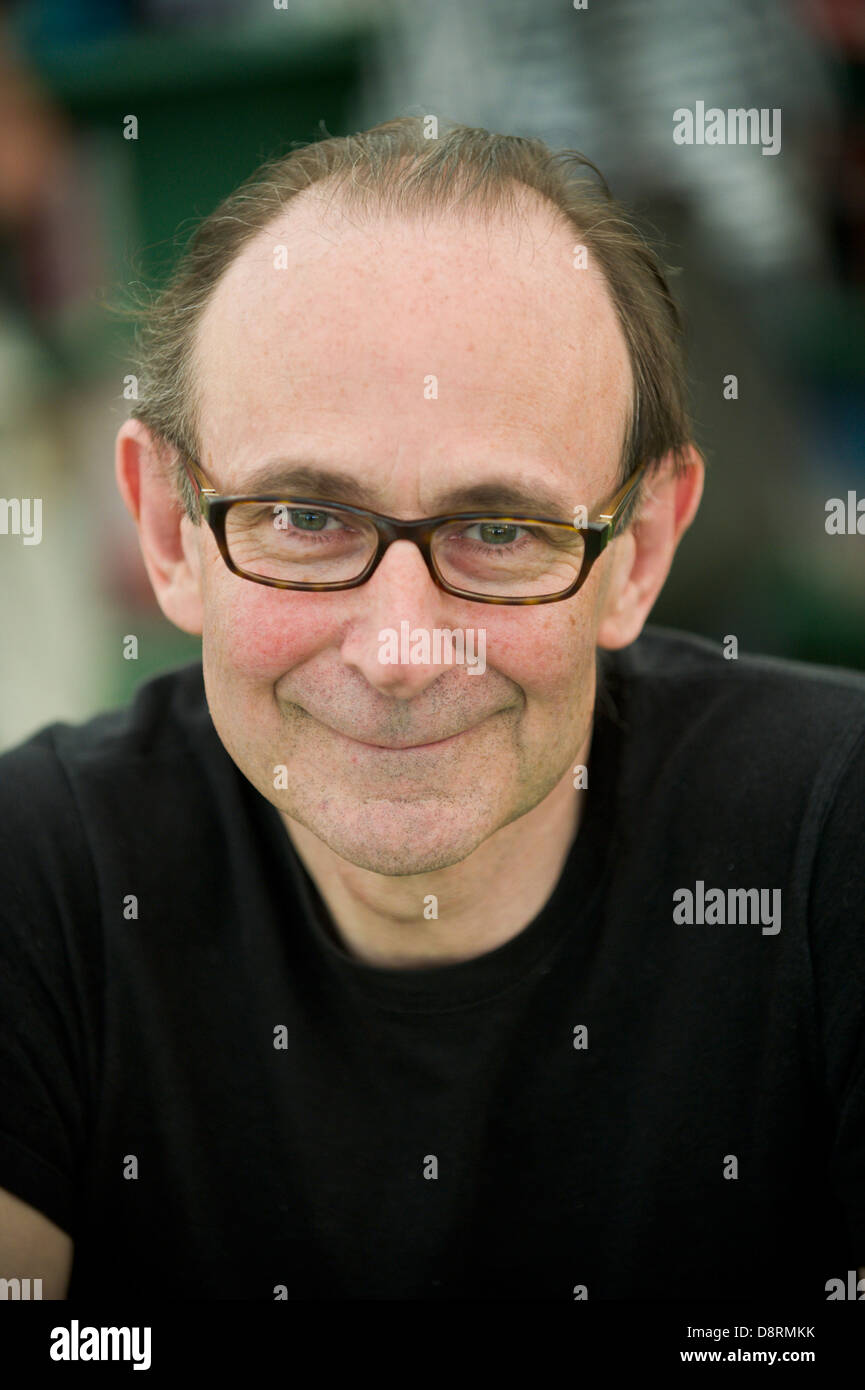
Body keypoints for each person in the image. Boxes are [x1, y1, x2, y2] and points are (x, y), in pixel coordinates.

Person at [0, 116, 862, 1302]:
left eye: (500, 530)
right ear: (167, 531)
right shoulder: (38, 871)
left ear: (642, 549)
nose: (401, 648)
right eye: (305, 517)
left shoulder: (836, 837)